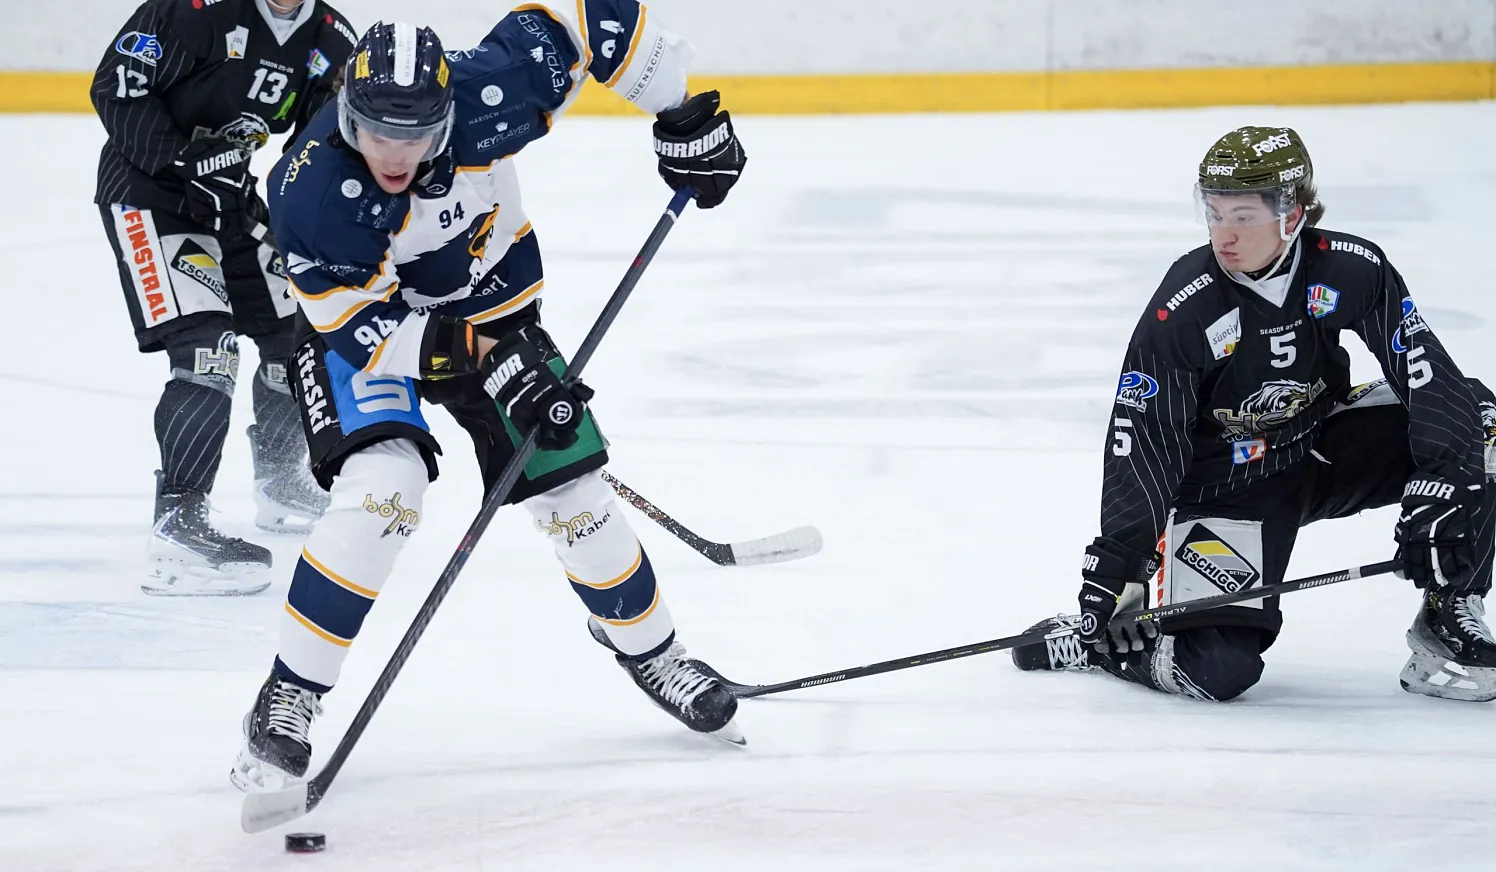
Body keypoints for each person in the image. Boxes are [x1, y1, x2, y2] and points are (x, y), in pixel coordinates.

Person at [230, 5, 750, 791]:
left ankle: (657, 655)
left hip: (494, 316)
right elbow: (356, 330)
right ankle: (288, 695)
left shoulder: (493, 89)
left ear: (449, 110)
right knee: (386, 491)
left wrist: (681, 111)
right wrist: (482, 362)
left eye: (414, 133)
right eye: (375, 130)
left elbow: (587, 18)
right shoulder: (311, 193)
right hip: (365, 337)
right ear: (345, 106)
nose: (394, 153)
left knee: (573, 486)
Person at [1011, 126, 1496, 703]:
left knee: (1481, 418)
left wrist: (1439, 492)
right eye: (1213, 215)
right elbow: (1143, 435)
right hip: (1230, 487)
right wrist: (1122, 564)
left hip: (1322, 444)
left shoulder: (1352, 268)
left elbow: (1426, 375)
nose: (1224, 235)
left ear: (1291, 212)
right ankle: (1098, 648)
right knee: (1215, 670)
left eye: (1242, 216)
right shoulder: (1186, 307)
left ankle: (1448, 612)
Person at [91, 0, 355, 595]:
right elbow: (116, 86)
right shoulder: (191, 11)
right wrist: (182, 161)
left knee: (298, 322)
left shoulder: (332, 39)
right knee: (208, 350)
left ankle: (283, 480)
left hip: (228, 199)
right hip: (148, 193)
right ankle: (177, 527)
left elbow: (320, 144)